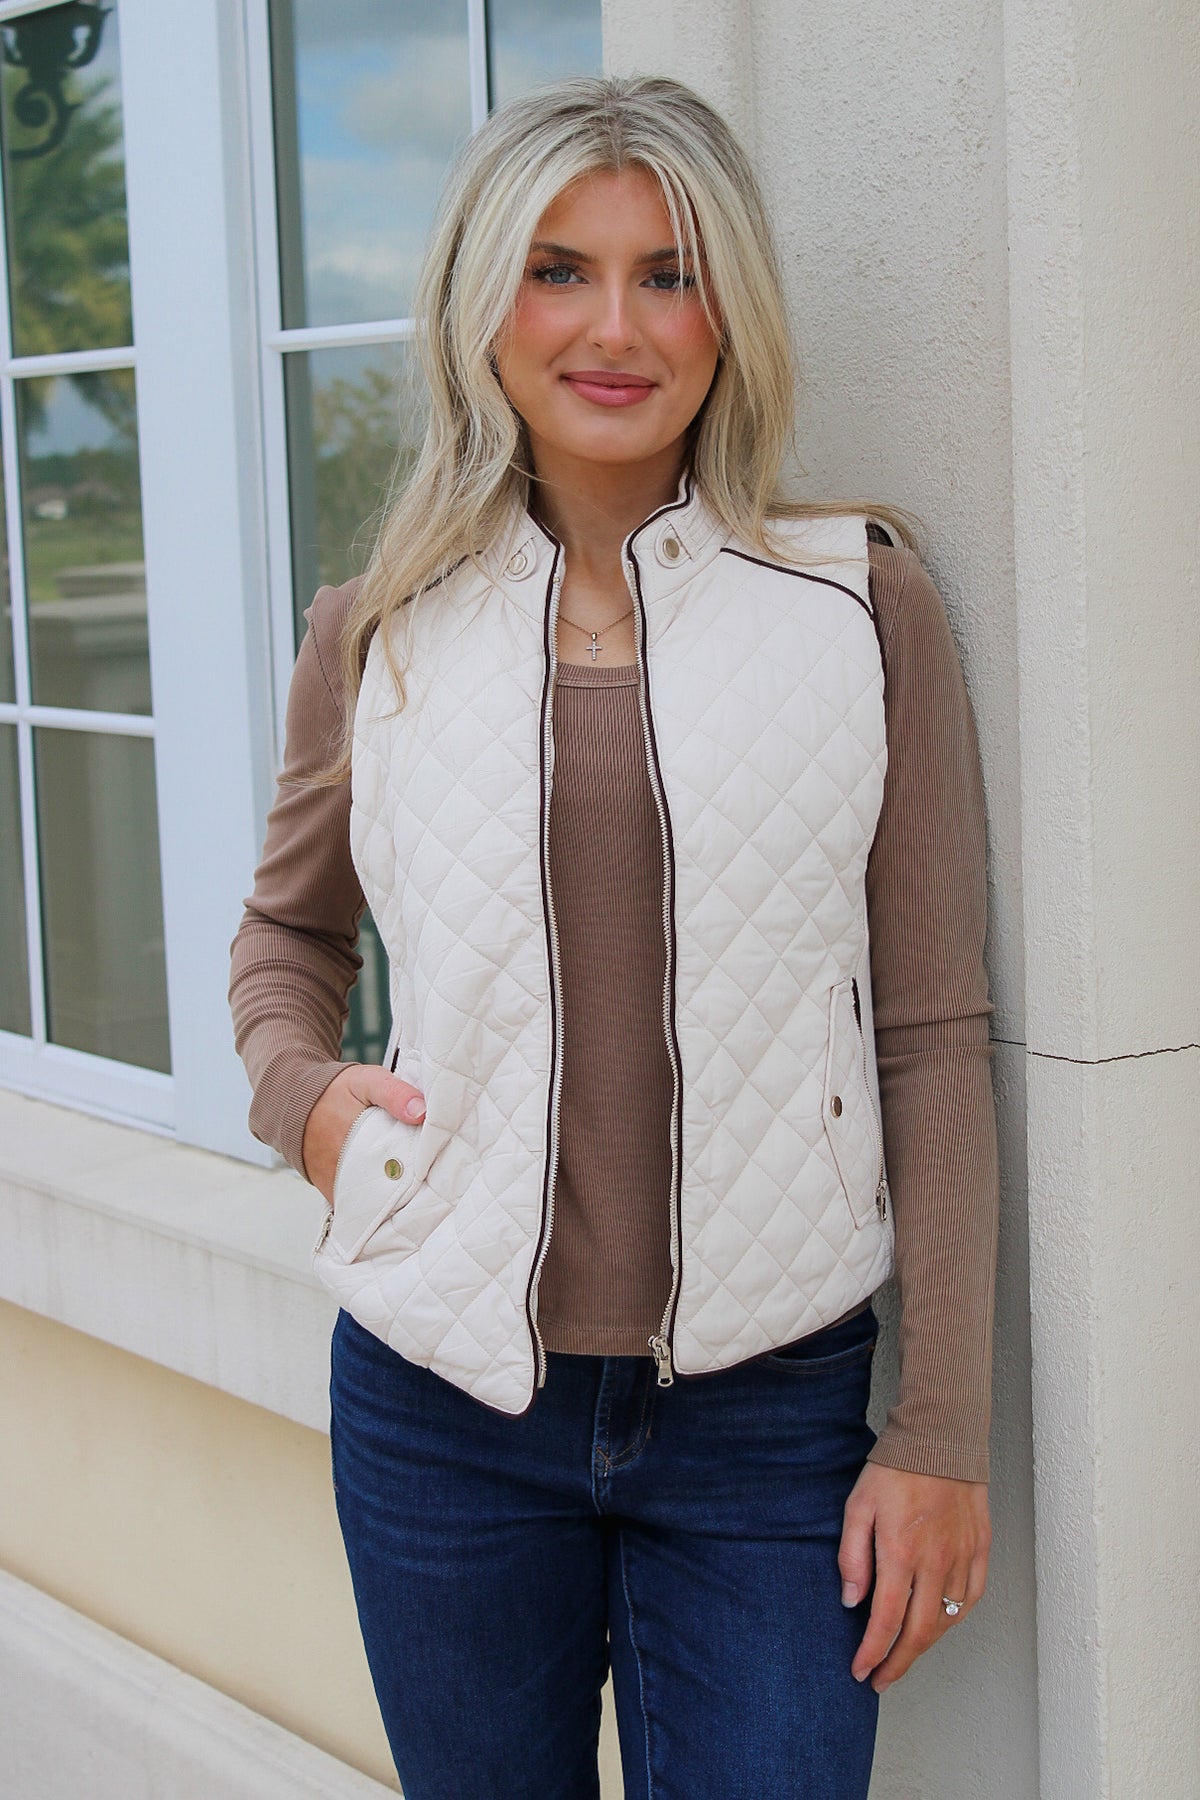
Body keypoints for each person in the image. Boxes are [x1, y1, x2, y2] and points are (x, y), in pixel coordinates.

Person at [230, 74, 998, 1800]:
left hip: (769, 1416)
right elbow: (285, 938)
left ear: (731, 312)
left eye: (669, 274)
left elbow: (934, 1027)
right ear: (481, 301)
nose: (616, 328)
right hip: (440, 1407)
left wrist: (943, 1425)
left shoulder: (863, 606)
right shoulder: (375, 632)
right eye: (559, 270)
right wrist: (308, 1102)